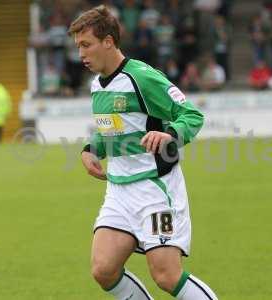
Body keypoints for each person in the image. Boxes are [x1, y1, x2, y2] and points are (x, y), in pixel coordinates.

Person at [69, 5, 218, 300]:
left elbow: (191, 115)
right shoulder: (97, 84)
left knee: (166, 275)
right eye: (78, 47)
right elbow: (111, 129)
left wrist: (170, 134)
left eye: (86, 45)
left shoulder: (143, 77)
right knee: (104, 269)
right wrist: (91, 150)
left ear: (108, 41)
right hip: (119, 191)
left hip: (155, 188)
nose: (81, 54)